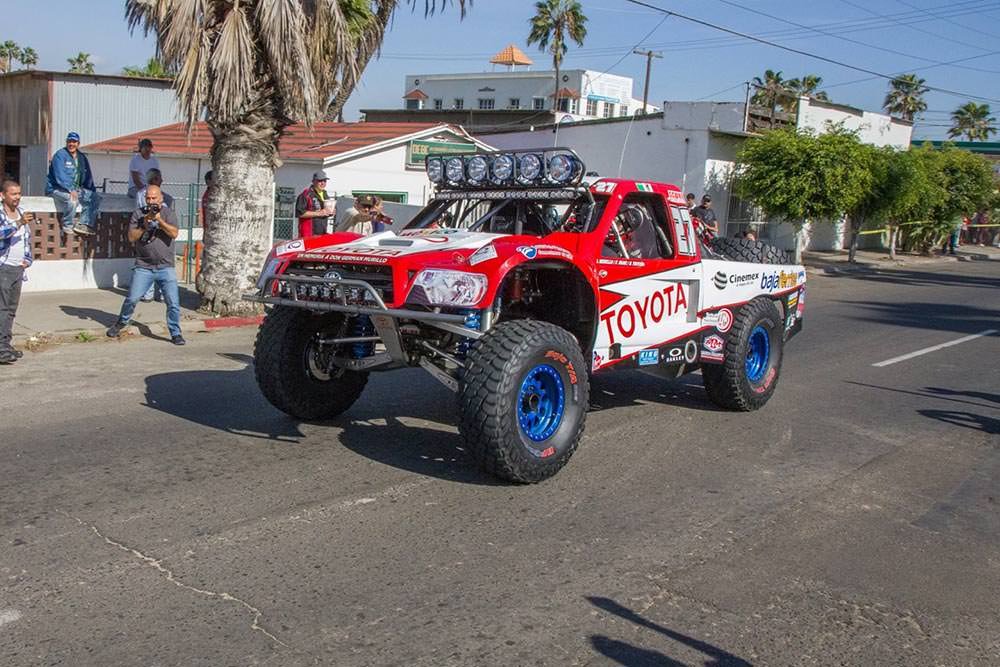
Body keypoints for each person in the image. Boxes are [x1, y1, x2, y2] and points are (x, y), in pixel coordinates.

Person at [106, 185, 185, 345]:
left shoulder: (168, 213)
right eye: (148, 198)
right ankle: (122, 321)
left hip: (165, 266)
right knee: (132, 299)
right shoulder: (139, 213)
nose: (151, 201)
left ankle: (175, 332)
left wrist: (159, 220)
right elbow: (131, 237)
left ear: (161, 198)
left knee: (173, 303)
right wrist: (145, 223)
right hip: (144, 266)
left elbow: (174, 233)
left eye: (154, 198)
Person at [0, 180, 33, 364]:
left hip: (17, 268)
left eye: (19, 194)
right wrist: (19, 223)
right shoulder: (2, 214)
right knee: (2, 309)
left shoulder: (21, 212)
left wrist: (28, 259)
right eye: (13, 194)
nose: (17, 197)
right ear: (3, 195)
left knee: (11, 310)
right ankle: (1, 347)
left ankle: (5, 344)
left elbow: (26, 239)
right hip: (3, 267)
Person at [45, 132, 101, 238]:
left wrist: (91, 190)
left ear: (78, 143)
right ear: (66, 142)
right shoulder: (60, 155)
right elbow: (60, 176)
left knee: (95, 197)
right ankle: (67, 225)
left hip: (76, 189)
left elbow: (87, 175)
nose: (72, 144)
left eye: (74, 142)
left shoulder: (81, 157)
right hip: (56, 189)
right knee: (72, 200)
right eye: (69, 141)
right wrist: (71, 189)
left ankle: (84, 224)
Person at [136, 169, 174, 302]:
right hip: (147, 230)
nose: (161, 181)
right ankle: (147, 294)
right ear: (153, 179)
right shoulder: (141, 194)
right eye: (159, 178)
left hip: (162, 230)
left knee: (164, 261)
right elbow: (141, 210)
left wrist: (160, 217)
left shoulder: (166, 197)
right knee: (147, 260)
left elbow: (168, 212)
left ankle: (164, 294)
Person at [295, 172, 334, 238]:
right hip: (309, 235)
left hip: (322, 233)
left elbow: (325, 212)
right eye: (320, 181)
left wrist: (331, 212)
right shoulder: (306, 194)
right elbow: (300, 213)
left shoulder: (325, 194)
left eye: (325, 181)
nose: (323, 183)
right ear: (313, 181)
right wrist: (319, 213)